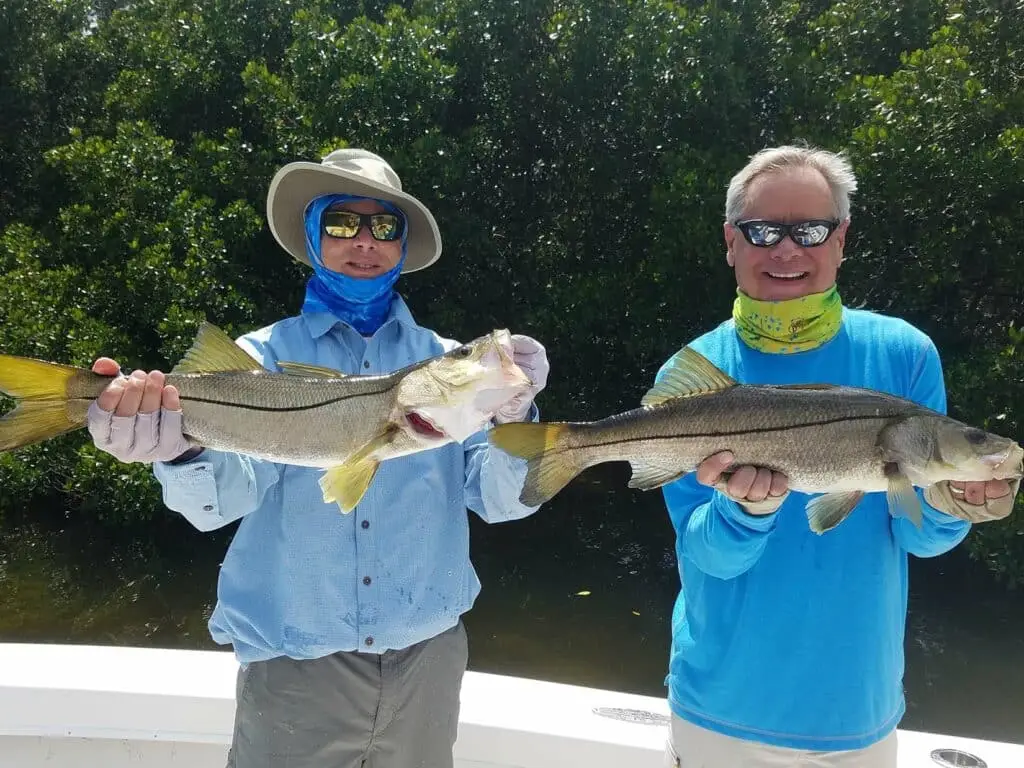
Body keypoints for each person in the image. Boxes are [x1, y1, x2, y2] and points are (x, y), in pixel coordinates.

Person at [84, 148, 551, 768]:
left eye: (384, 227)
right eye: (341, 223)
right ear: (311, 236)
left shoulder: (444, 365)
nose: (364, 241)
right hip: (293, 666)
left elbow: (499, 501)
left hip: (428, 662)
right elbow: (217, 505)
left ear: (403, 246)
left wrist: (517, 417)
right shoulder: (259, 358)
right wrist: (179, 451)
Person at [658, 144, 1019, 767]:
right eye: (764, 230)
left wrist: (955, 504)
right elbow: (705, 556)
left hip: (858, 712)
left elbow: (920, 540)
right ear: (731, 242)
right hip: (719, 709)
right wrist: (747, 512)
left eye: (812, 229)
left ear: (842, 238)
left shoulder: (905, 355)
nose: (787, 250)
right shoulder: (695, 376)